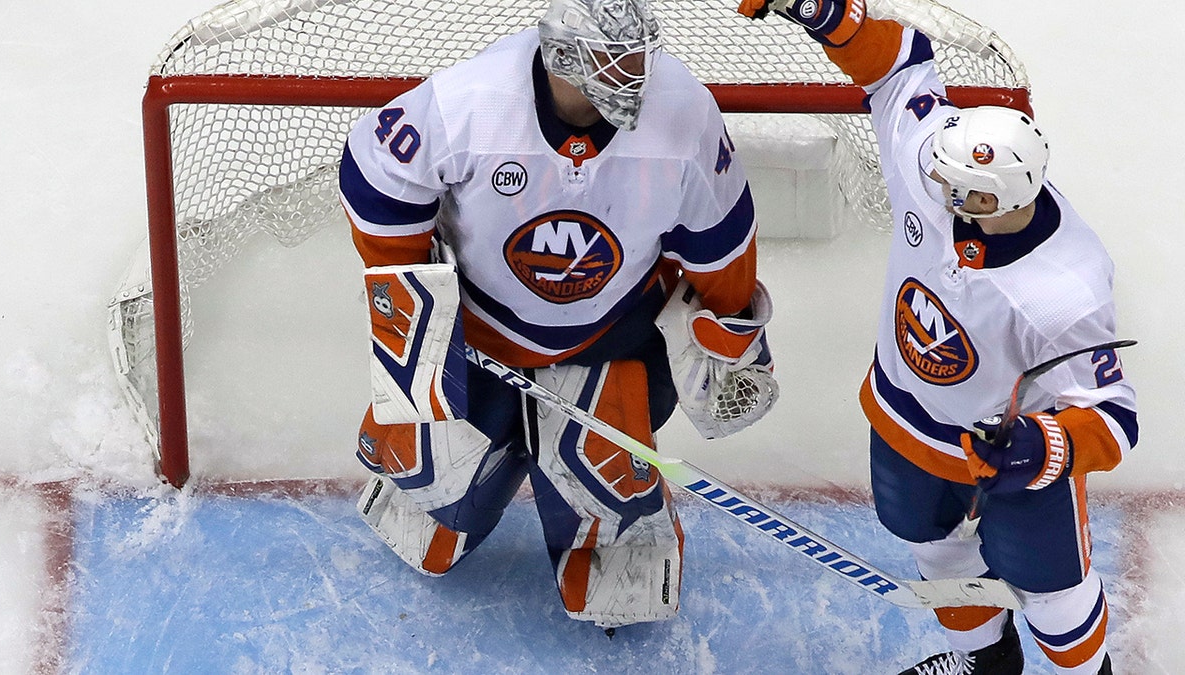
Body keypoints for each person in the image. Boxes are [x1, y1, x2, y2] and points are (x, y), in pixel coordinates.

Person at [338, 0, 778, 632]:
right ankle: (437, 509)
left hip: (611, 334)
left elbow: (722, 238)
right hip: (479, 333)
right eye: (610, 58)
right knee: (438, 482)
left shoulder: (682, 114)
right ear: (563, 55)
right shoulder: (472, 100)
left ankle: (618, 549)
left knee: (604, 481)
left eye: (636, 55)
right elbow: (376, 177)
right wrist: (412, 298)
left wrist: (731, 323)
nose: (632, 72)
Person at [737, 1, 1136, 673]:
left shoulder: (1066, 286)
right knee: (933, 545)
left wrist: (1041, 444)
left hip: (1007, 457)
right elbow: (899, 69)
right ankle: (985, 663)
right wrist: (826, 12)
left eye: (963, 193)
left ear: (1006, 198)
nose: (938, 191)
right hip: (906, 419)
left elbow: (1114, 418)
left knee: (1054, 591)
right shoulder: (936, 160)